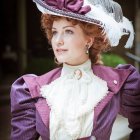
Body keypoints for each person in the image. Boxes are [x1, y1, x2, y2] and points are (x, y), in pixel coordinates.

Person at [10, 0, 140, 140]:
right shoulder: (32, 89)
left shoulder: (119, 82)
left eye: (68, 31)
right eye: (54, 32)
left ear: (88, 40)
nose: (58, 40)